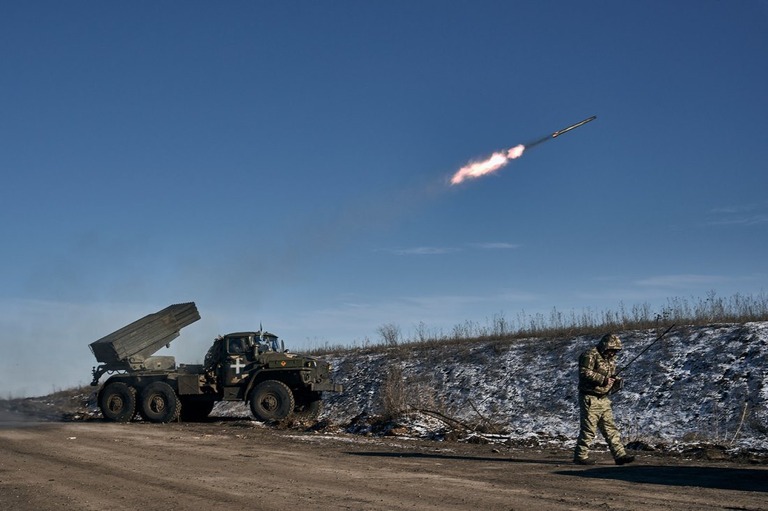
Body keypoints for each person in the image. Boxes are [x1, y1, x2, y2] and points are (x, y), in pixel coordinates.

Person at [573, 333, 635, 465]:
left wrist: (614, 381)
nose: (613, 353)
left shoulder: (610, 359)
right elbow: (584, 372)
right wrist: (604, 380)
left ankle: (620, 455)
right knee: (589, 429)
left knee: (610, 428)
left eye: (616, 351)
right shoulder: (589, 355)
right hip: (590, 398)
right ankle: (580, 456)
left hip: (604, 398)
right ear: (605, 346)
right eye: (612, 350)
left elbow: (610, 374)